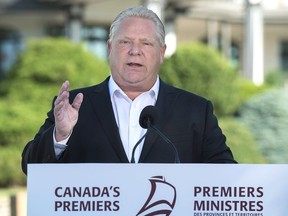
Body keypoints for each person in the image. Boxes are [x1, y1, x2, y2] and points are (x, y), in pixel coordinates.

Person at [21, 6, 236, 175]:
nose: (135, 51)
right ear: (109, 48)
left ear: (161, 53)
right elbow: (31, 167)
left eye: (146, 44)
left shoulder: (195, 109)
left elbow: (225, 173)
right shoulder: (75, 105)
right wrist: (61, 135)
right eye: (125, 42)